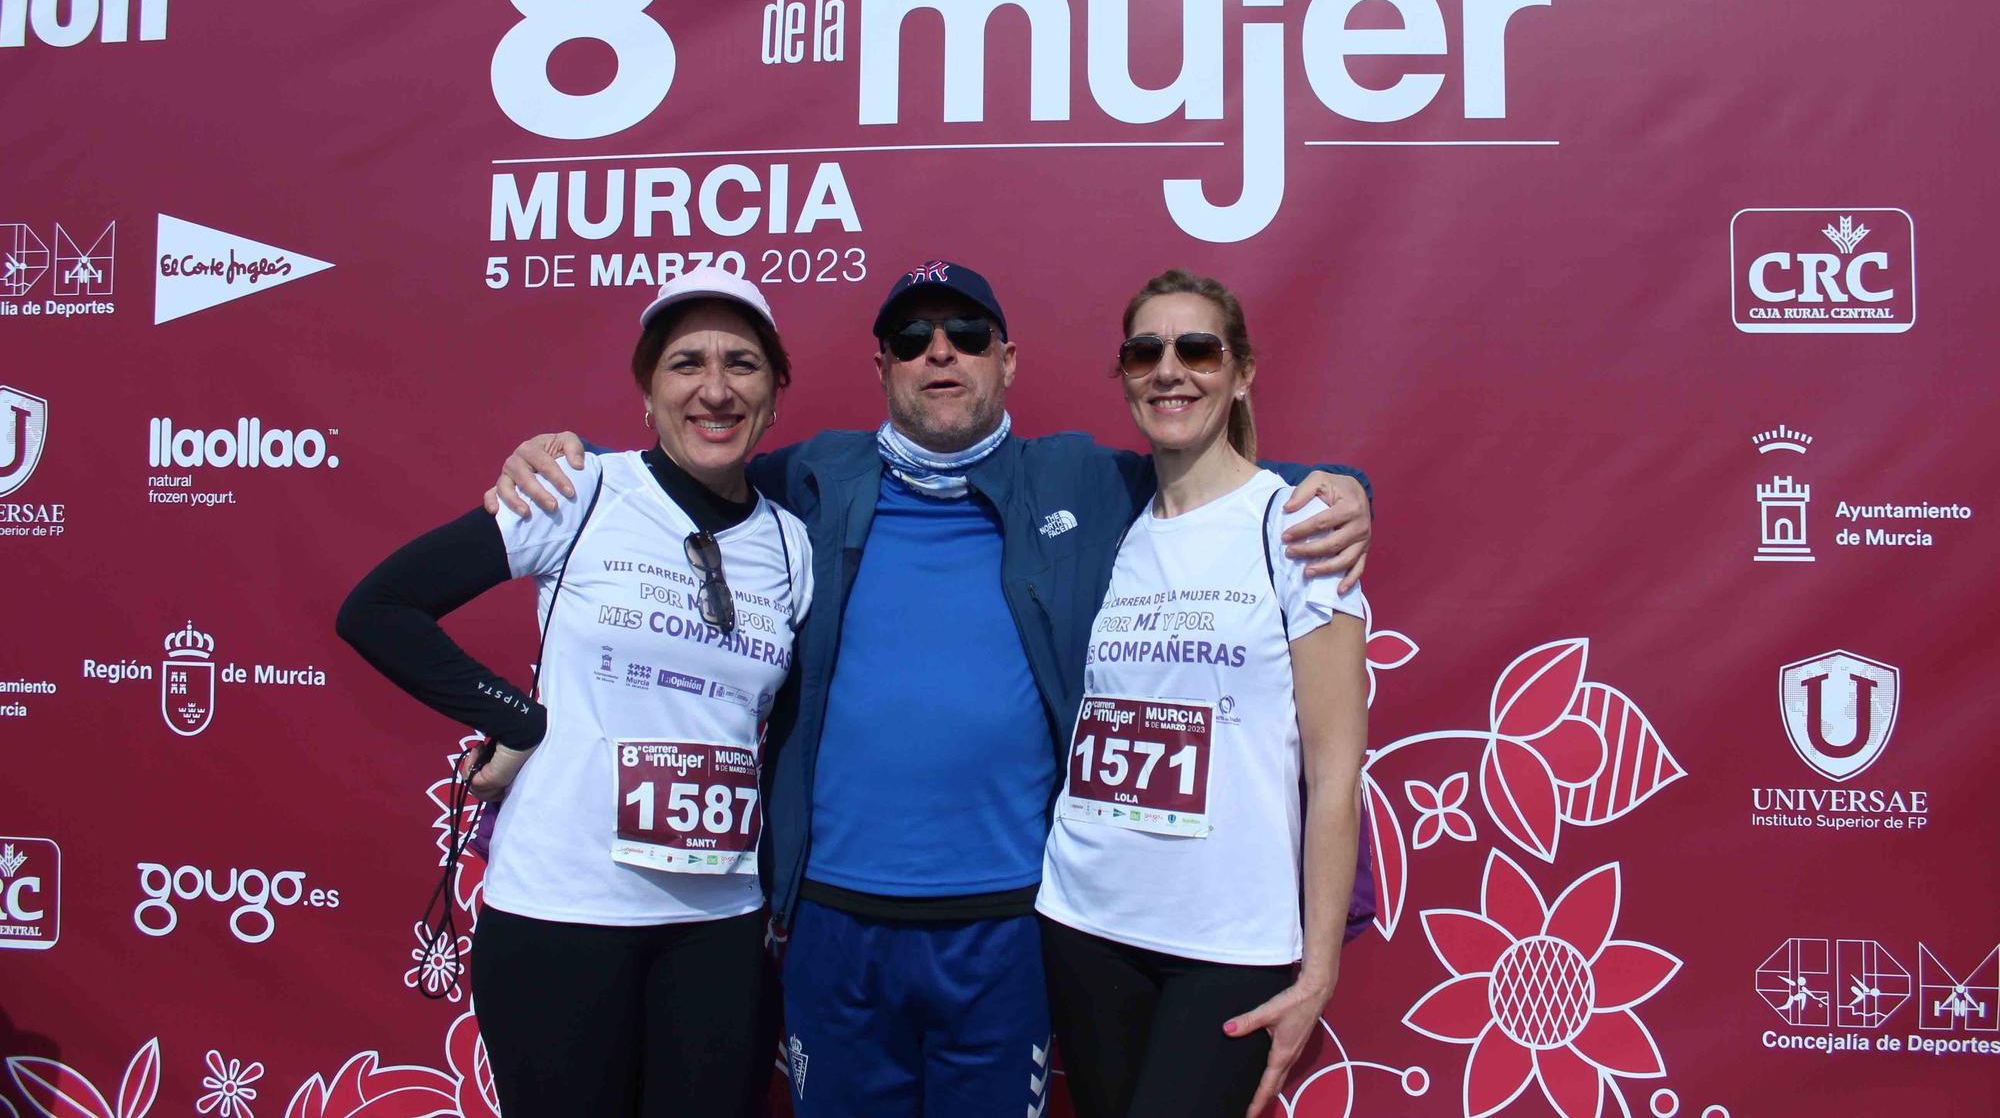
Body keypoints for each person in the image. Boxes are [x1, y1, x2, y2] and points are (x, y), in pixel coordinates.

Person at [489, 260, 1372, 1118]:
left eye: (966, 333)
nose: (939, 352)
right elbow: (680, 468)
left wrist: (1346, 493)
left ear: (1007, 359)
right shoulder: (806, 479)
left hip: (1011, 925)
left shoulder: (1078, 478)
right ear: (882, 368)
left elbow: (1217, 482)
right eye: (911, 338)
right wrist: (562, 456)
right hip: (834, 920)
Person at [336, 267, 813, 1118]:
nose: (715, 388)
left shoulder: (793, 545)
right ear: (646, 391)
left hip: (720, 925)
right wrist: (514, 717)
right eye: (685, 363)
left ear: (776, 392)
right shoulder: (577, 490)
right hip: (562, 914)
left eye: (742, 364)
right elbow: (380, 608)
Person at [1035, 269, 1368, 1118]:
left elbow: (1337, 770)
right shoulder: (1112, 528)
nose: (1169, 370)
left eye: (1197, 349)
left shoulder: (1299, 528)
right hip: (1085, 921)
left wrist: (1318, 968)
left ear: (1242, 371)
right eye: (1145, 351)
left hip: (1227, 943)